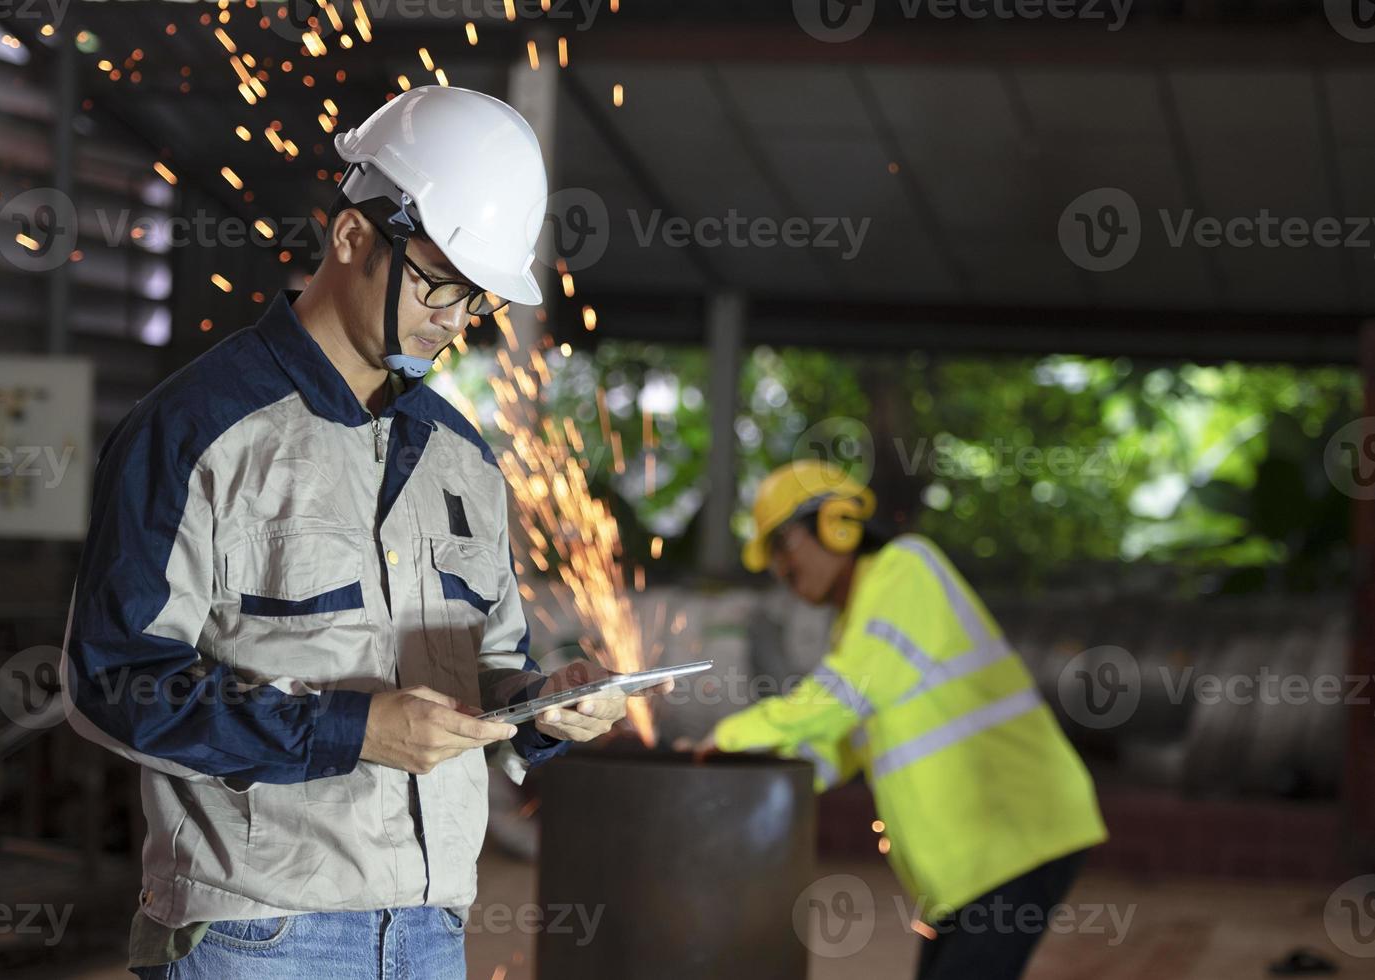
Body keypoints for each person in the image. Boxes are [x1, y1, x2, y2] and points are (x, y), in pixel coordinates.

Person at [60, 85, 668, 979]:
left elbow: (486, 674)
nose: (456, 323)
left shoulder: (461, 459)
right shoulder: (195, 430)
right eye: (440, 286)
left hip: (429, 932)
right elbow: (114, 685)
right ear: (351, 237)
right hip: (256, 934)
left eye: (477, 303)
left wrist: (545, 706)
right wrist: (352, 731)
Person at [691, 460, 1107, 980]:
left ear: (836, 523)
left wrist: (731, 736)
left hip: (1014, 838)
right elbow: (846, 741)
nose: (780, 568)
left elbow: (845, 694)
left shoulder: (906, 569)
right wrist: (767, 777)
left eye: (783, 545)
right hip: (972, 862)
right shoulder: (857, 620)